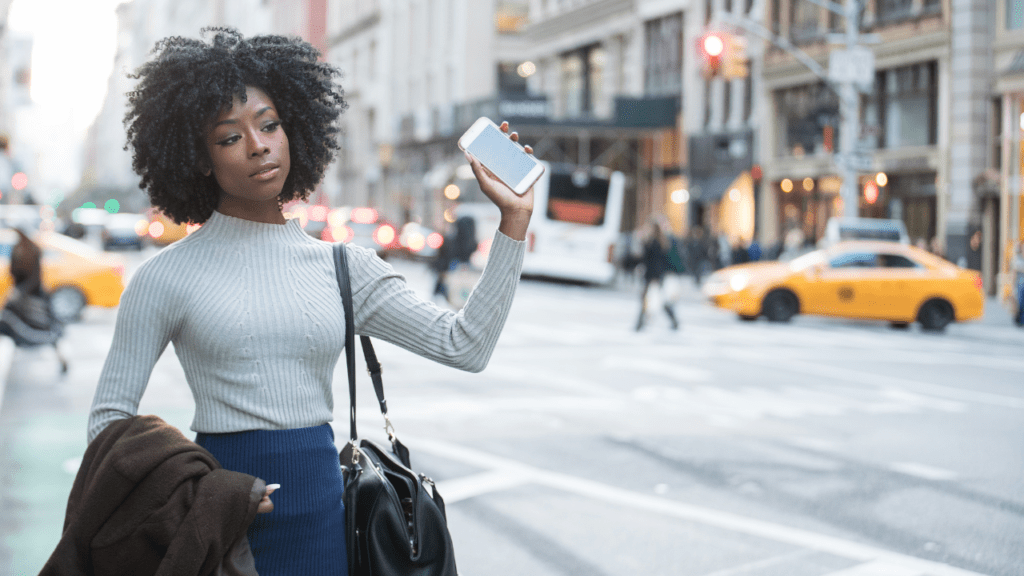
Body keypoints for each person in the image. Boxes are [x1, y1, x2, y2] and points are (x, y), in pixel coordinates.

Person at [85, 28, 534, 574]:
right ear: (199, 158)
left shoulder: (344, 267)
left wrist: (514, 221)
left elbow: (466, 346)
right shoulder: (164, 276)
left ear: (293, 129)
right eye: (230, 137)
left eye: (269, 125)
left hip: (325, 526)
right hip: (217, 529)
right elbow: (109, 423)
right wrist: (197, 495)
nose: (258, 145)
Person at [0, 227, 67, 373]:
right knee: (10, 324)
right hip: (21, 298)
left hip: (34, 298)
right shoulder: (16, 250)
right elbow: (13, 273)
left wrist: (20, 292)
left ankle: (61, 359)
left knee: (45, 329)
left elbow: (35, 278)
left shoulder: (33, 250)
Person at [635, 217, 679, 331]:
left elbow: (652, 260)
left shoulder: (654, 242)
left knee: (651, 299)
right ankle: (640, 323)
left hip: (654, 275)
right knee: (656, 299)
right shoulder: (659, 241)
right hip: (655, 274)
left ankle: (639, 324)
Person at [1014, 240, 1024, 327]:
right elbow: (1016, 268)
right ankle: (1020, 320)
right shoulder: (1018, 258)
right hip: (1020, 284)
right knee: (1020, 302)